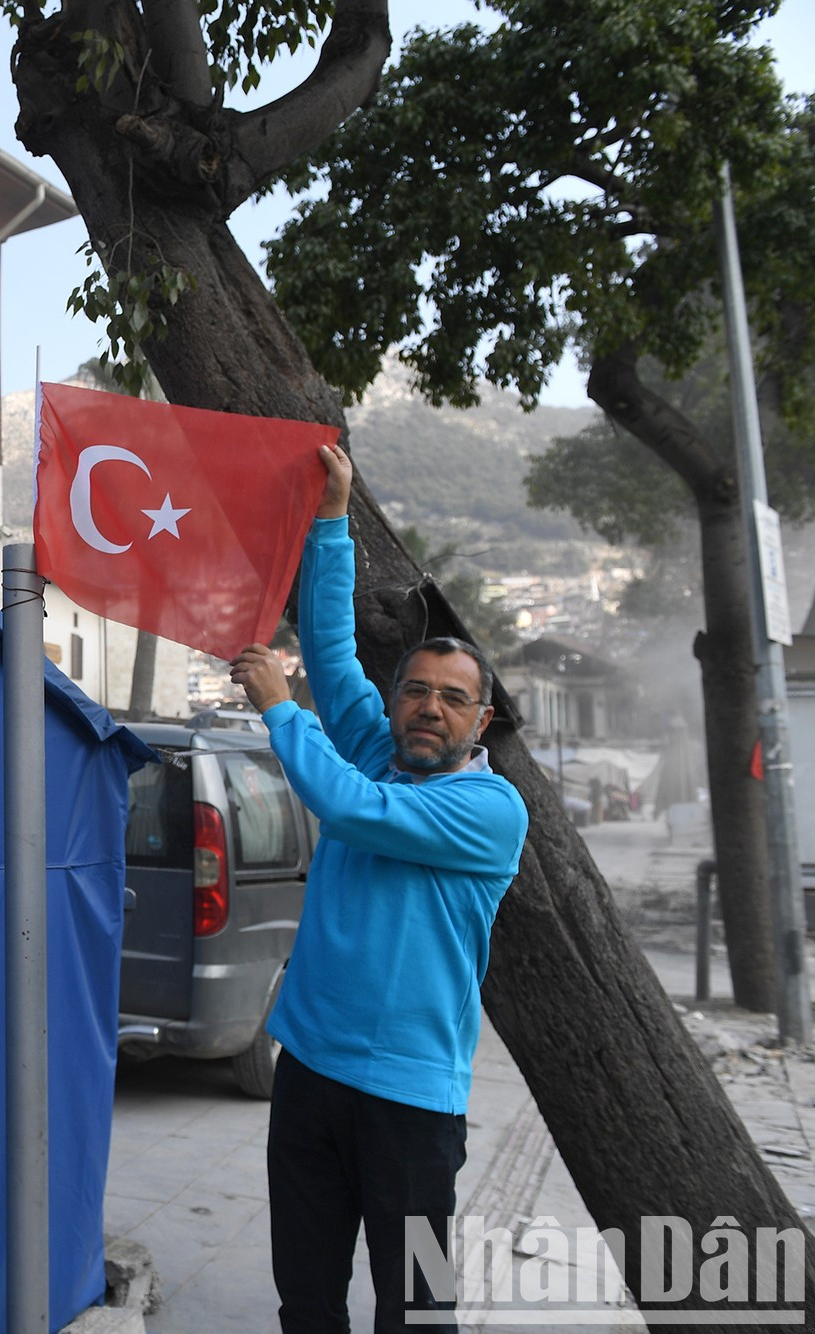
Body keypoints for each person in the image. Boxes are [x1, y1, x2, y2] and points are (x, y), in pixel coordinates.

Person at [229, 444, 528, 1333]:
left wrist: (282, 710)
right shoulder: (375, 746)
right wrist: (333, 514)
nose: (428, 707)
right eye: (417, 692)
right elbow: (327, 646)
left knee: (418, 1310)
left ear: (481, 721)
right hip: (310, 1077)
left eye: (452, 699)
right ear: (396, 703)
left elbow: (350, 809)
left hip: (414, 1105)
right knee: (307, 1301)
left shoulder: (489, 807)